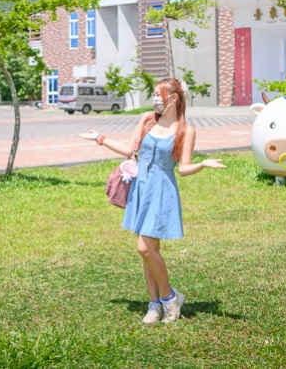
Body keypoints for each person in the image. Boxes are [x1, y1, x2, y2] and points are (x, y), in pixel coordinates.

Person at [80, 77, 225, 324]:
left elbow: (183, 168)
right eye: (154, 94)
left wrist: (202, 164)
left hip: (161, 192)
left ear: (174, 98)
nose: (155, 98)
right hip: (141, 189)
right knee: (148, 252)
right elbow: (129, 150)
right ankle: (154, 304)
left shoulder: (186, 130)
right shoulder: (147, 119)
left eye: (159, 94)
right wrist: (100, 139)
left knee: (144, 248)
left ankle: (170, 298)